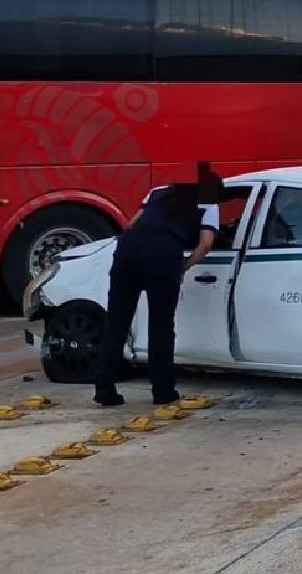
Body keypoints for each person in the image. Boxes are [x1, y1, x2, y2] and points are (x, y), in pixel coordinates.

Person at [94, 169, 220, 407]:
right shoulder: (208, 203)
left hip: (128, 252)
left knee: (117, 322)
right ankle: (163, 391)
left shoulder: (156, 192)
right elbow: (206, 244)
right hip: (163, 255)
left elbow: (132, 224)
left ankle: (104, 388)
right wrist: (183, 267)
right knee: (161, 325)